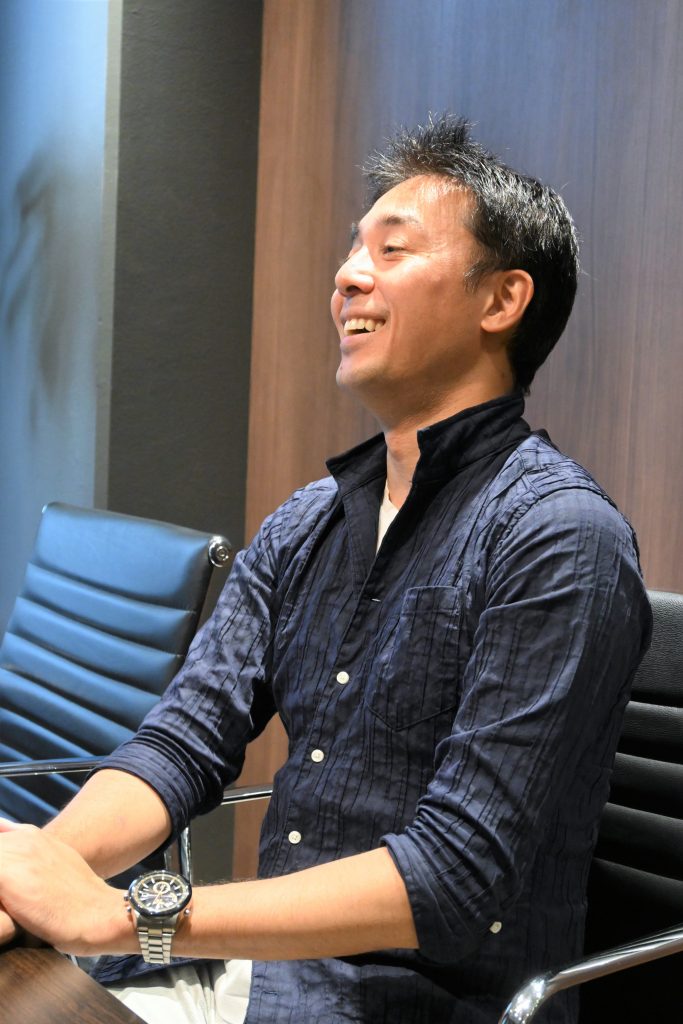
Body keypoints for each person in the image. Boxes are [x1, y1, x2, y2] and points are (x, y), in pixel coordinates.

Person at [0, 115, 651, 1024]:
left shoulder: (560, 539)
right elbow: (182, 743)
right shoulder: (309, 521)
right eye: (352, 249)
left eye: (392, 250)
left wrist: (124, 917)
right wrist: (31, 882)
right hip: (262, 979)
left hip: (416, 1005)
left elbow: (452, 875)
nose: (347, 275)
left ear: (501, 301)